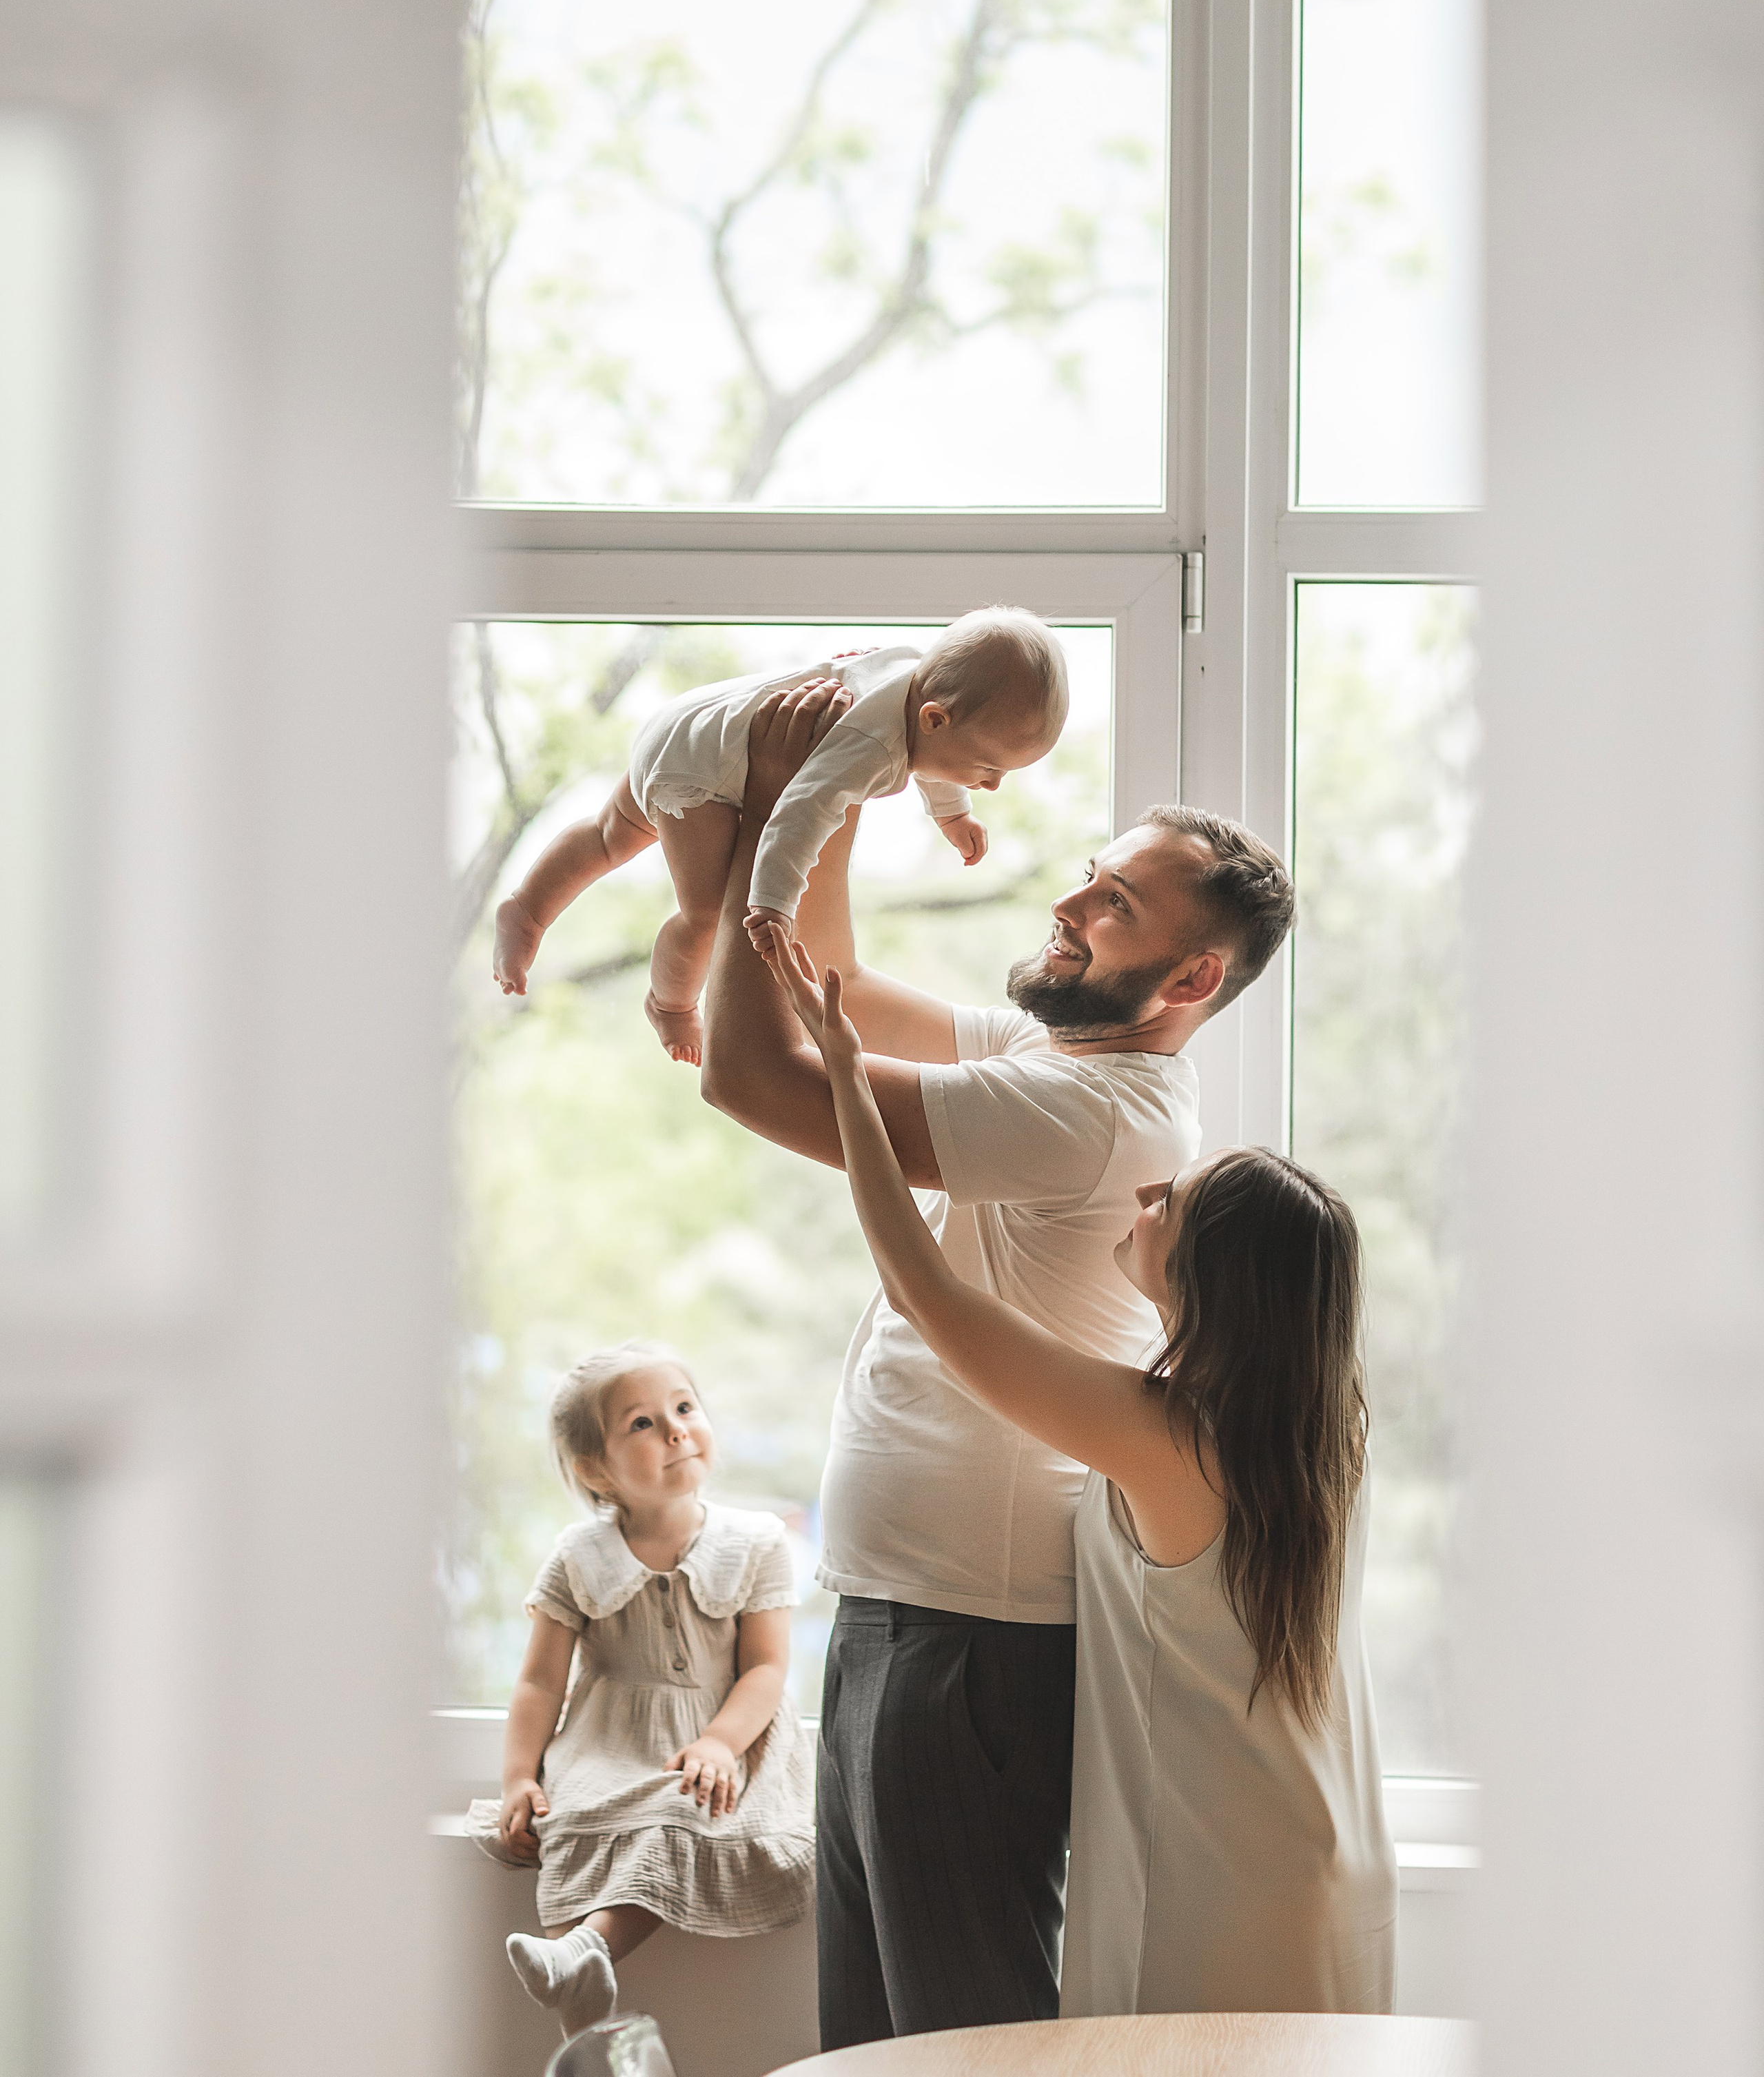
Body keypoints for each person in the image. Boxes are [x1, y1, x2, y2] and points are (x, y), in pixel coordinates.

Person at [699, 683, 1297, 2047]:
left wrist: (774, 807)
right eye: (1090, 876)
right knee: (875, 2052)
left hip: (970, 1643)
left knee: (964, 2049)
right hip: (900, 1618)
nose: (1069, 905)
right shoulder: (1059, 1049)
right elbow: (828, 981)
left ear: (1190, 981)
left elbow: (751, 1076)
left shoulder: (1088, 1111)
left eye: (1114, 906)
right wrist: (843, 769)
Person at [760, 932, 1399, 2016]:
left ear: (1214, 1278)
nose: (1142, 1192)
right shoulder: (1314, 1434)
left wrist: (849, 1081)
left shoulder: (1171, 1438)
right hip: (1313, 1847)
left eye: (1169, 1201)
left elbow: (929, 1293)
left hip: (1230, 1872)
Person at [491, 608, 1068, 1063]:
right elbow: (798, 816)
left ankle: (526, 909)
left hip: (691, 727)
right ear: (935, 718)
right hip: (702, 780)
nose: (993, 783)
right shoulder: (869, 745)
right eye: (989, 768)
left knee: (608, 836)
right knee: (708, 914)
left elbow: (937, 755)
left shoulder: (915, 677)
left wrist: (952, 815)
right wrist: (771, 904)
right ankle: (670, 1004)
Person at [464, 1344, 814, 2038]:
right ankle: (581, 1991)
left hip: (717, 1739)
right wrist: (517, 1777)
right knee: (569, 1821)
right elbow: (539, 1680)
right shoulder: (577, 1556)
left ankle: (581, 1957)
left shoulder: (756, 1542)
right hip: (610, 1736)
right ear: (596, 1469)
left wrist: (719, 1743)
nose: (677, 1429)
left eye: (684, 1407)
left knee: (679, 1812)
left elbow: (766, 1668)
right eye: (642, 1423)